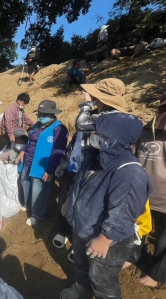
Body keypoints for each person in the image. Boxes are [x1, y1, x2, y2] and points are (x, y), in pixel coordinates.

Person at [61, 112, 152, 299]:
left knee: (101, 277)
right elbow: (79, 183)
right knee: (81, 264)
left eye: (98, 134)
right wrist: (70, 201)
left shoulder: (129, 173)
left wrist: (105, 238)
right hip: (82, 228)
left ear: (115, 140)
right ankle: (82, 289)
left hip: (109, 240)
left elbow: (123, 213)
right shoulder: (94, 158)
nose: (93, 138)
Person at [15, 100, 68, 226]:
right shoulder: (37, 126)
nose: (40, 117)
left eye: (43, 115)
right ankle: (28, 205)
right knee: (25, 183)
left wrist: (50, 170)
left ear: (52, 115)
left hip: (42, 167)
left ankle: (37, 215)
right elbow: (29, 141)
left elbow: (58, 151)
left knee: (39, 191)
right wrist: (23, 151)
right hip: (28, 161)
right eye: (39, 114)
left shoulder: (59, 129)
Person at [135, 93, 166, 287]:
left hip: (143, 191)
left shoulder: (144, 130)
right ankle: (155, 273)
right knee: (162, 238)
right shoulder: (144, 131)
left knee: (140, 230)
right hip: (156, 195)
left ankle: (138, 260)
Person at [53, 130, 91, 262]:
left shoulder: (98, 134)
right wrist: (63, 165)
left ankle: (78, 242)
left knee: (81, 208)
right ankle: (63, 231)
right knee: (63, 202)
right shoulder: (78, 133)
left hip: (86, 175)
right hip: (70, 172)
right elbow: (70, 150)